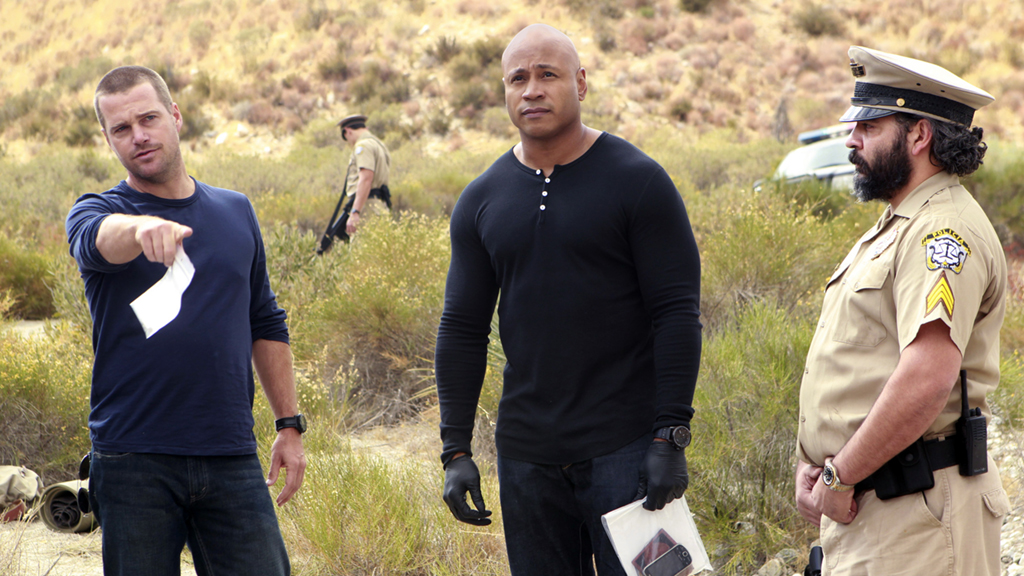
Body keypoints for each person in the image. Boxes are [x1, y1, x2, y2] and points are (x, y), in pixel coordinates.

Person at [434, 24, 702, 576]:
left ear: (580, 82)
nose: (532, 90)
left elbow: (676, 312)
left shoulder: (638, 181)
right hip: (527, 460)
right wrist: (455, 450)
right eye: (518, 79)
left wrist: (670, 436)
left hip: (629, 451)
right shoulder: (482, 199)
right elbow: (462, 327)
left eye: (547, 75)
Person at [65, 65, 306, 576]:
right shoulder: (96, 211)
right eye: (121, 129)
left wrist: (289, 425)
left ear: (175, 115)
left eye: (148, 119)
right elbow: (98, 239)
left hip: (230, 453)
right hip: (133, 460)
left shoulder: (235, 210)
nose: (139, 136)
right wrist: (141, 228)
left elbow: (265, 321)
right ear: (108, 140)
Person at [794, 46, 1011, 575]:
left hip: (919, 517)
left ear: (919, 136)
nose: (851, 139)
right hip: (884, 512)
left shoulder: (941, 231)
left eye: (869, 126)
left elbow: (926, 378)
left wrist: (838, 475)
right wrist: (815, 463)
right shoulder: (902, 222)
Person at [338, 113, 392, 237]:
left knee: (360, 247)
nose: (350, 143)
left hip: (367, 207)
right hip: (379, 206)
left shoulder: (363, 146)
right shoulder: (379, 145)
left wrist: (355, 211)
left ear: (348, 131)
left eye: (347, 139)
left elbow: (366, 179)